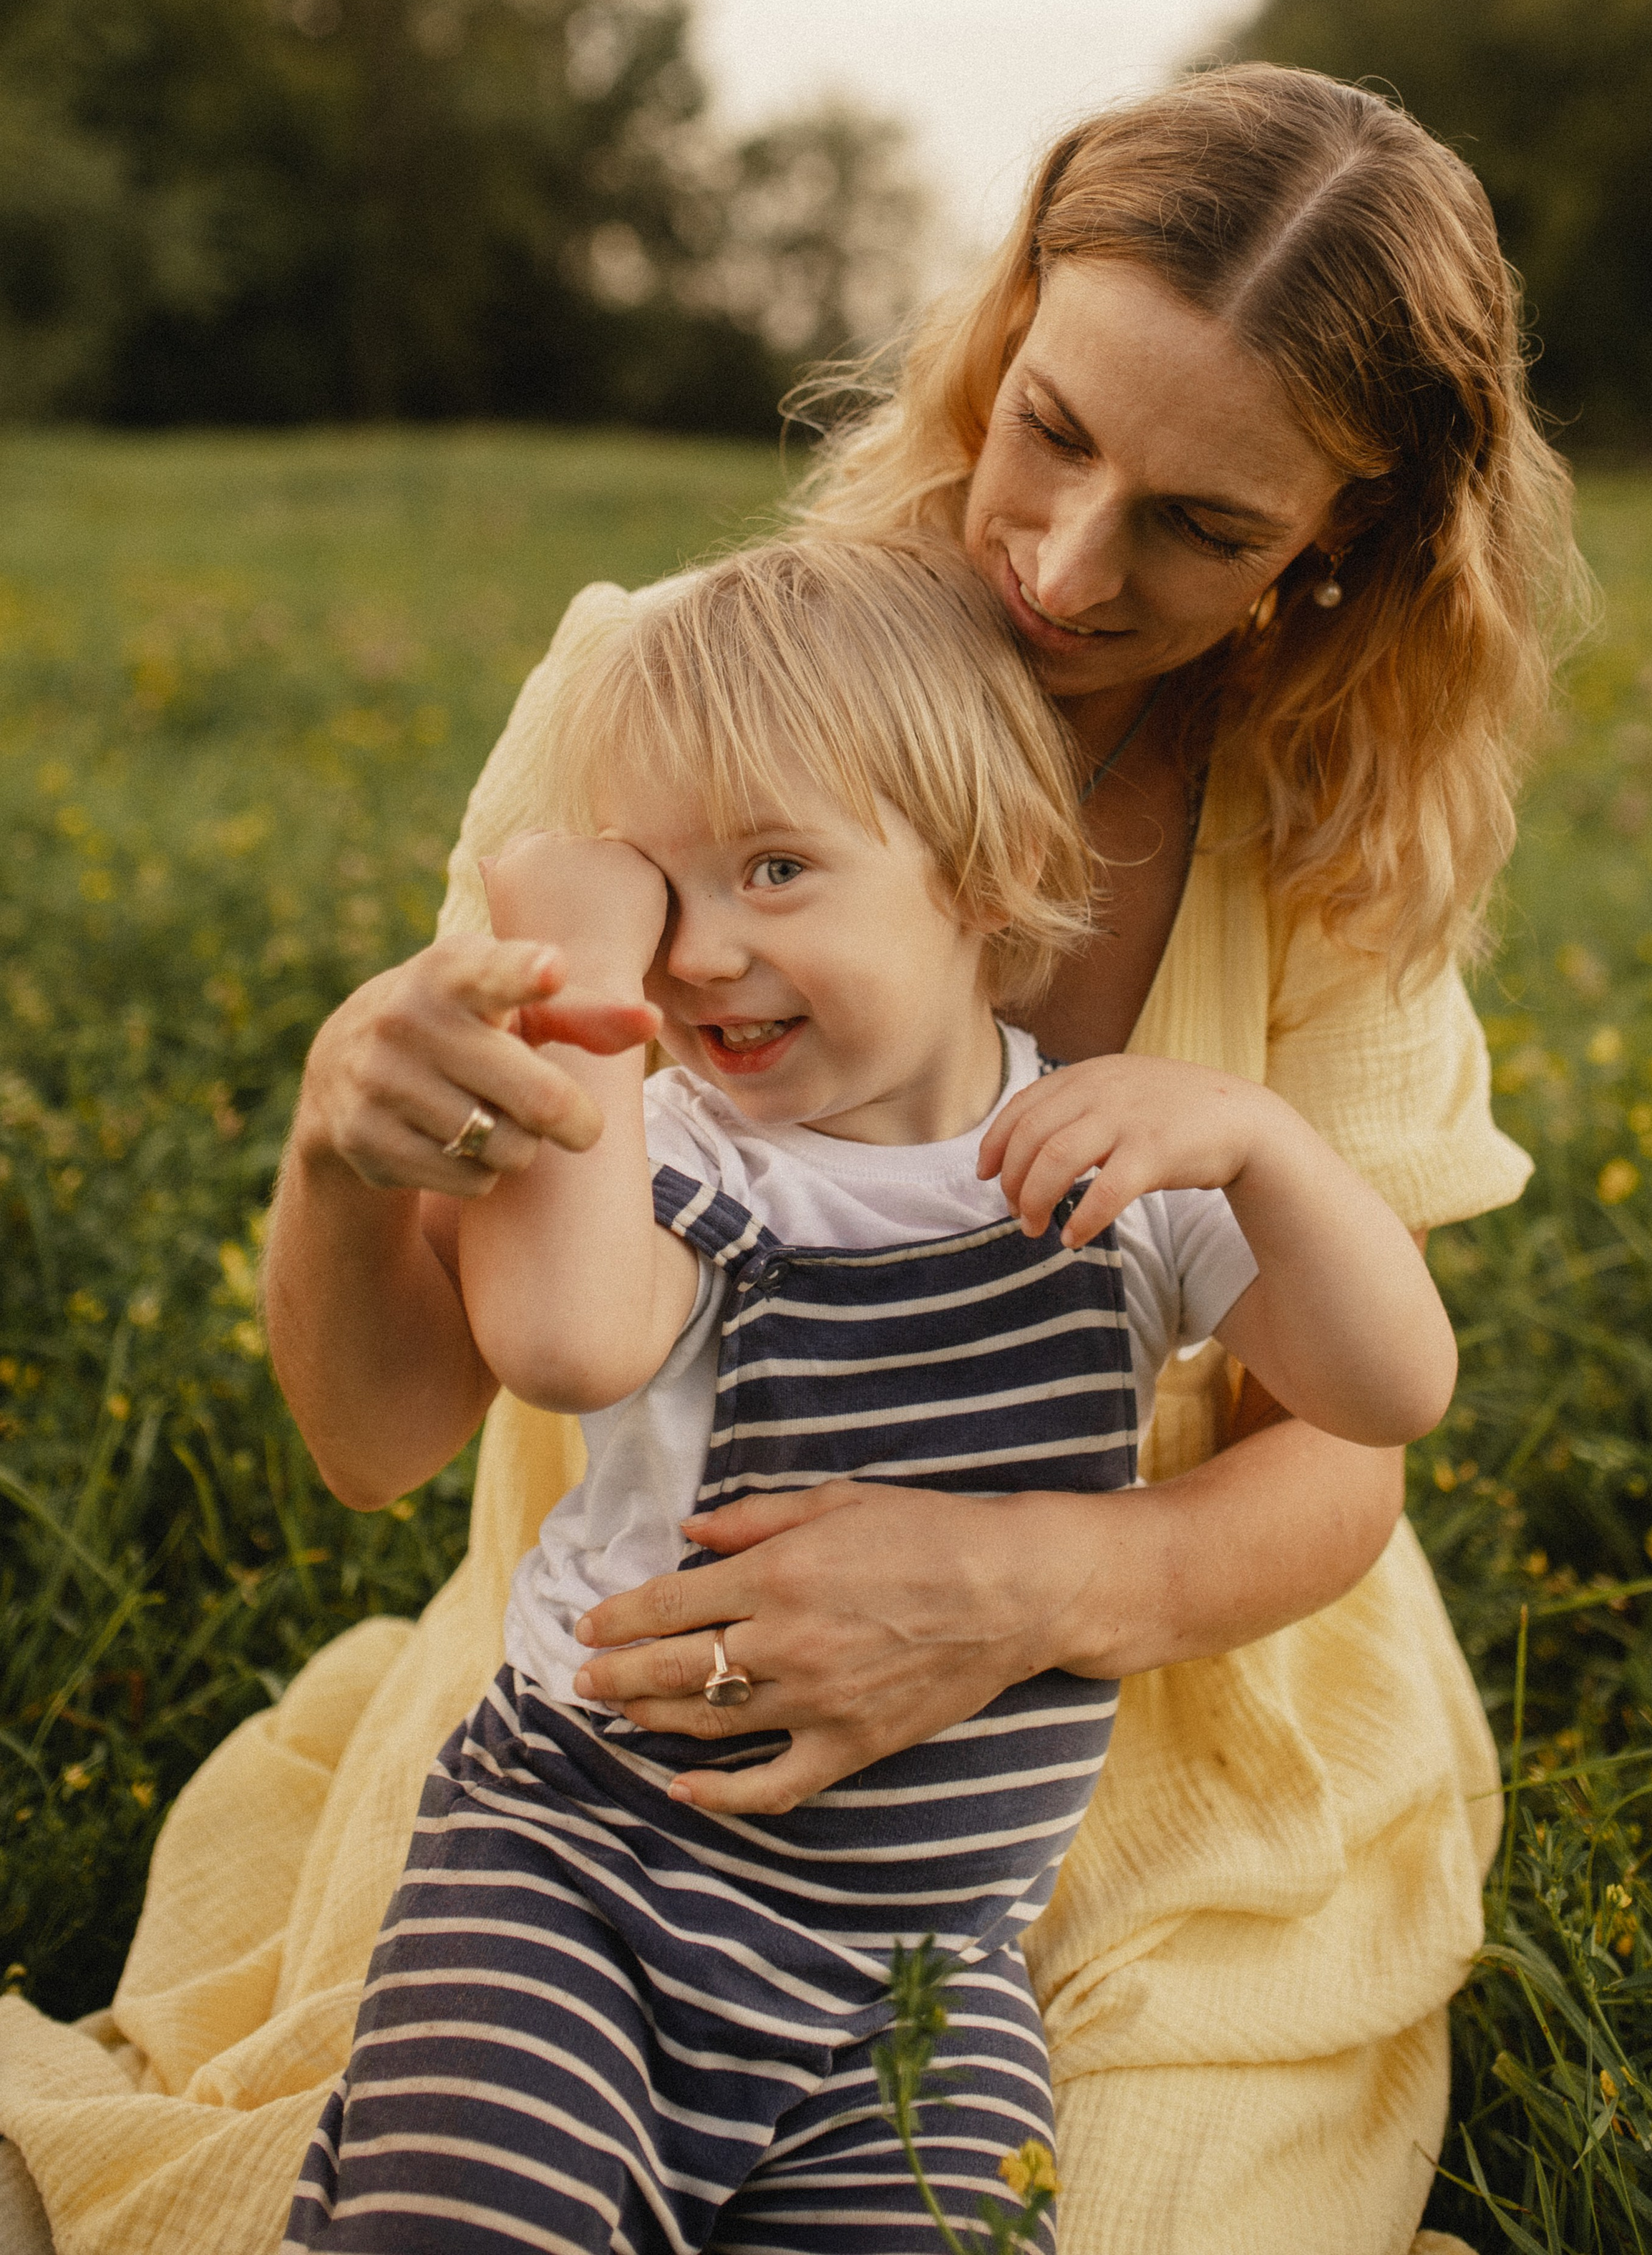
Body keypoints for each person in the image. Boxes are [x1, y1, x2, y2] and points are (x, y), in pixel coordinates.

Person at [0, 64, 1578, 2255]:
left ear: (1351, 541)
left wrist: (1008, 1591)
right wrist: (343, 1151)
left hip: (1149, 1685)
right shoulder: (680, 688)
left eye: (1208, 525)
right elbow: (386, 1430)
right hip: (652, 1689)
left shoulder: (1335, 835)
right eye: (1052, 425)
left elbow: (1357, 1434)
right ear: (1001, 329)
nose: (1062, 556)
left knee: (1107, 2210)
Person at [283, 539, 1458, 2252]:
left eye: (773, 868)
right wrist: (575, 984)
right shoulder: (677, 1156)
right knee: (464, 2220)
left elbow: (1386, 1388)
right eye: (654, 890)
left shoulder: (1105, 1154)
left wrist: (1270, 1151)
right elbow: (562, 1341)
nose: (697, 955)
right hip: (588, 1876)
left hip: (921, 1968)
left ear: (982, 877)